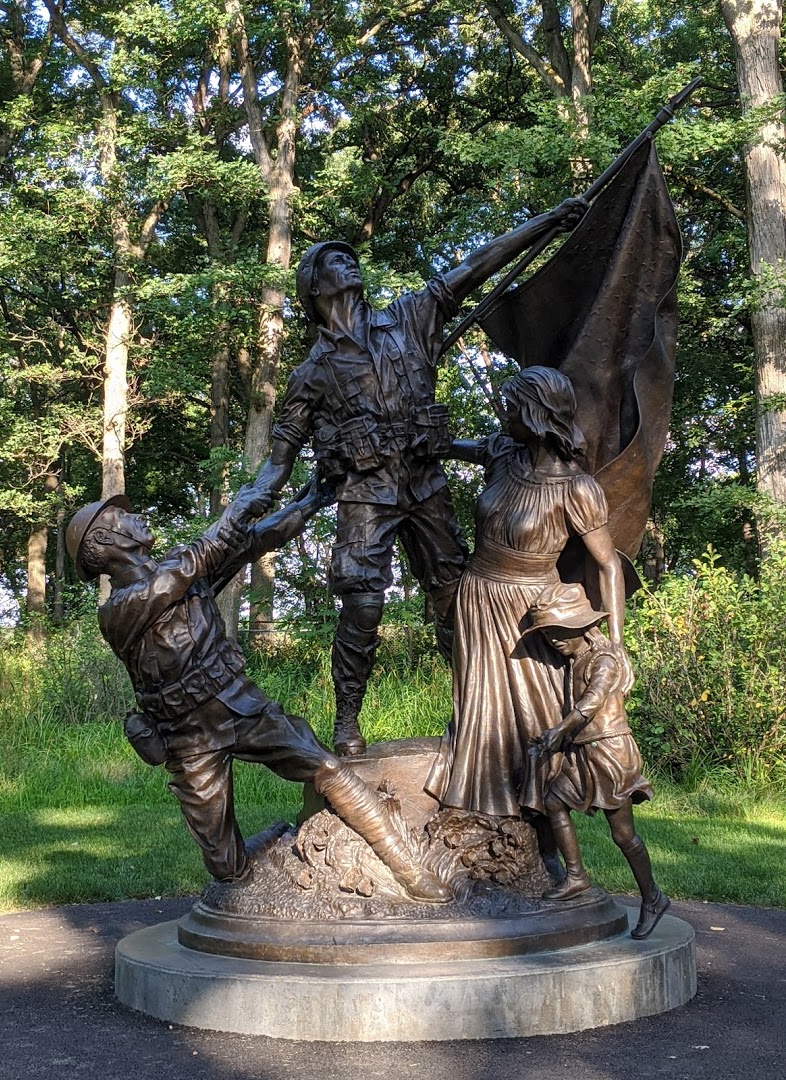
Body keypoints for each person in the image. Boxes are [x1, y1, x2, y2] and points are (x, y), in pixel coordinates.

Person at [253, 199, 588, 757]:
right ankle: (347, 719)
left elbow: (475, 266)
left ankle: (477, 712)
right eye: (334, 260)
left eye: (350, 256)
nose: (348, 262)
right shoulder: (310, 373)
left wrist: (548, 221)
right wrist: (251, 510)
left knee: (457, 603)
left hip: (426, 485)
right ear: (314, 287)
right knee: (362, 605)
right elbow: (278, 459)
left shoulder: (410, 318)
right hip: (366, 496)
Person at [65, 484, 450, 902]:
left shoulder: (180, 571)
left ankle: (408, 869)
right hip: (186, 736)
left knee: (327, 765)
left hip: (239, 704)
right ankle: (276, 837)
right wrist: (250, 498)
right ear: (104, 539)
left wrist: (311, 500)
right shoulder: (119, 608)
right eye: (123, 517)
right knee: (226, 868)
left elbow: (255, 540)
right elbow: (202, 554)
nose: (137, 517)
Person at [425, 366, 631, 824]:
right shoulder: (502, 455)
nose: (504, 413)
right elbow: (444, 448)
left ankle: (540, 826)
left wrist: (615, 644)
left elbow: (608, 565)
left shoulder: (577, 489)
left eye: (512, 406)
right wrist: (426, 432)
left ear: (537, 414)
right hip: (478, 599)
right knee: (480, 709)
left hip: (533, 612)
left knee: (535, 712)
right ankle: (480, 811)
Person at [523, 580, 669, 940]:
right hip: (583, 753)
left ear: (581, 626)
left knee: (623, 834)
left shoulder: (604, 659)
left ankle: (653, 898)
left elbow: (592, 701)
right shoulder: (574, 661)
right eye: (548, 634)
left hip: (611, 753)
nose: (554, 640)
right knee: (553, 801)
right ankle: (576, 876)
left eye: (559, 631)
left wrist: (561, 729)